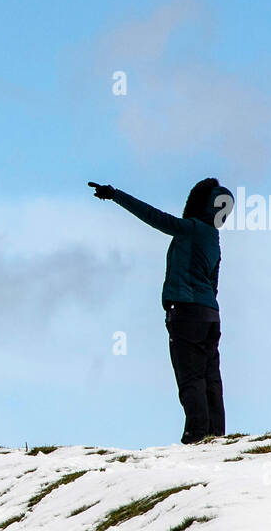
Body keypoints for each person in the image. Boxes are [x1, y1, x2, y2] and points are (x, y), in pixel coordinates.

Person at [89, 178, 232, 444]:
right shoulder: (214, 239)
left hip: (186, 313)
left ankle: (197, 434)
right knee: (211, 377)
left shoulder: (190, 229)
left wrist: (115, 194)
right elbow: (213, 285)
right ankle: (216, 435)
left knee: (190, 376)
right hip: (210, 316)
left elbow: (154, 217)